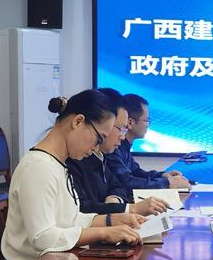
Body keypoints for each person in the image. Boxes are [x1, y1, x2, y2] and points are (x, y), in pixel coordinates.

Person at [0, 91, 145, 260]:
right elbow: (42, 238)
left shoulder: (57, 163)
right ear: (78, 122)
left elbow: (69, 219)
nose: (96, 148)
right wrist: (104, 232)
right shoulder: (39, 167)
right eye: (98, 139)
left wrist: (112, 219)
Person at [67, 88, 170, 217]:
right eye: (121, 128)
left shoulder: (100, 157)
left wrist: (115, 199)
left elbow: (119, 187)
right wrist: (129, 209)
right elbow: (80, 209)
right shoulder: (76, 159)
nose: (122, 136)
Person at [106, 93, 190, 196]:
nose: (148, 125)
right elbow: (127, 182)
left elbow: (136, 172)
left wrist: (163, 176)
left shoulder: (125, 145)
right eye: (147, 121)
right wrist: (167, 183)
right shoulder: (113, 147)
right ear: (130, 122)